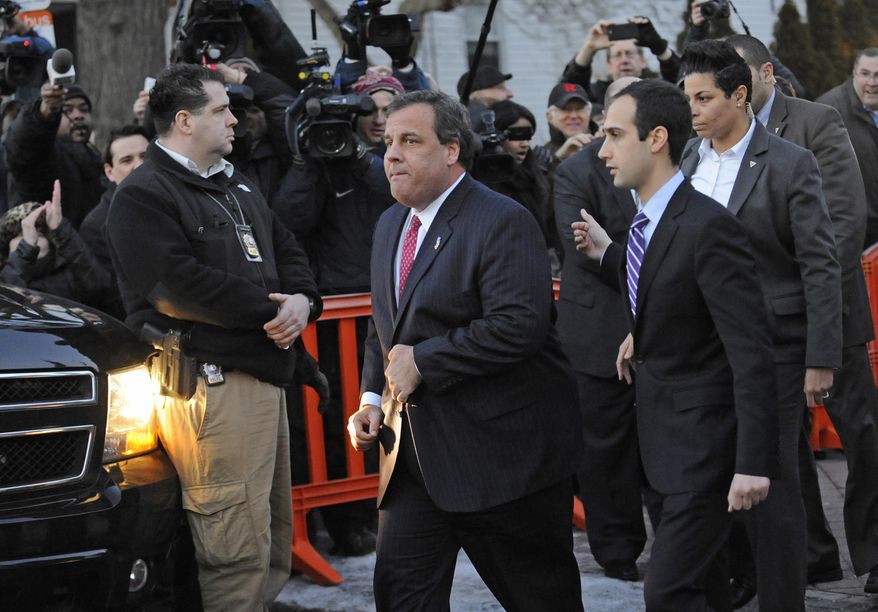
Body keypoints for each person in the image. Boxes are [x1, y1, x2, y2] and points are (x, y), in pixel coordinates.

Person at [346, 89, 584, 611]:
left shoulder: (501, 219)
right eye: (388, 142)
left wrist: (425, 362)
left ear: (452, 150)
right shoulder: (391, 224)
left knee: (541, 601)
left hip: (502, 463)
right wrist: (369, 398)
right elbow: (384, 326)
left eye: (411, 141)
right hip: (410, 462)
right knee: (403, 599)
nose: (392, 155)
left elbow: (519, 326)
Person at [105, 63, 322, 610]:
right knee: (232, 550)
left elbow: (287, 246)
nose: (234, 120)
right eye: (221, 110)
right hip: (210, 388)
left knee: (268, 539)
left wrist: (302, 302)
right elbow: (176, 286)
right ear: (183, 121)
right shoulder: (142, 194)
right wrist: (272, 312)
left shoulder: (237, 181)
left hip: (264, 375)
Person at [572, 78, 778, 611]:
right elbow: (667, 279)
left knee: (667, 592)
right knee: (704, 591)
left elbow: (751, 351)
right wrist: (610, 254)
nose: (603, 148)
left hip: (704, 452)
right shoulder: (648, 223)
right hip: (661, 448)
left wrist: (753, 462)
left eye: (616, 134)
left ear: (657, 138)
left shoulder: (708, 226)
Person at [678, 39, 842, 611]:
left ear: (740, 95)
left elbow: (820, 262)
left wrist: (821, 355)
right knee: (713, 480)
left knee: (773, 485)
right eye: (687, 98)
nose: (692, 111)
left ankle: (781, 603)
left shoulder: (791, 162)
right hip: (702, 350)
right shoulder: (689, 162)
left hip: (775, 346)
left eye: (703, 98)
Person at [732, 33, 878, 597]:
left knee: (861, 434)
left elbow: (846, 217)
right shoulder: (723, 135)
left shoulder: (816, 121)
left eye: (741, 77)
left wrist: (804, 296)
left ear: (766, 72)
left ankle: (873, 551)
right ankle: (812, 556)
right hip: (761, 324)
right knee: (783, 445)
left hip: (828, 311)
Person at [554, 76, 645, 583]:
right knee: (604, 450)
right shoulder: (576, 170)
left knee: (662, 440)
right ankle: (618, 551)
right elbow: (584, 248)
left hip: (663, 322)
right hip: (599, 327)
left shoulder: (677, 158)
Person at [4, 83, 103, 228]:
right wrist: (43, 113)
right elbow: (22, 147)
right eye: (67, 110)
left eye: (84, 109)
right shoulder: (43, 156)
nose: (78, 116)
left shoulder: (94, 157)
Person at [79, 124, 149, 319]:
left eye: (145, 156)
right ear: (109, 172)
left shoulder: (176, 202)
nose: (139, 165)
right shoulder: (96, 225)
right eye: (127, 160)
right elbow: (109, 293)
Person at [0, 180, 108, 303]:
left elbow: (99, 285)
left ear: (50, 242)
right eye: (21, 236)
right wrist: (26, 249)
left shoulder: (71, 274)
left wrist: (61, 231)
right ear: (6, 245)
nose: (31, 238)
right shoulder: (5, 278)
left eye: (39, 234)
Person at [817, 48, 878, 249]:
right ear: (853, 74)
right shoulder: (829, 111)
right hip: (855, 234)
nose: (872, 83)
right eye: (865, 74)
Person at [561, 17, 680, 104]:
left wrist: (660, 48)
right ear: (609, 65)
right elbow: (567, 92)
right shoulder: (599, 95)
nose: (624, 60)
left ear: (642, 61)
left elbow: (682, 82)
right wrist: (589, 48)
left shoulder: (658, 91)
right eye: (617, 55)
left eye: (629, 54)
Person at [543, 82, 597, 163]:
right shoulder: (541, 158)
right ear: (550, 117)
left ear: (589, 113)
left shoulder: (604, 148)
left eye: (579, 108)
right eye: (565, 109)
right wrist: (558, 159)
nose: (573, 116)